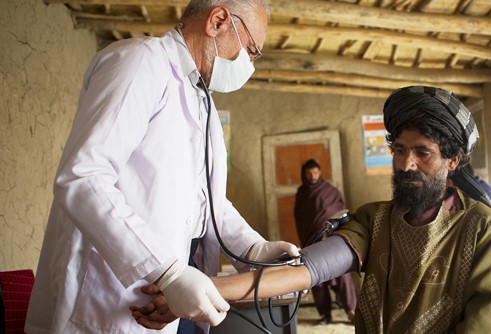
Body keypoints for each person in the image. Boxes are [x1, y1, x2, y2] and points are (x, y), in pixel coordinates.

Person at [134, 86, 491, 333]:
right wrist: (192, 292)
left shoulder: (484, 230)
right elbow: (304, 271)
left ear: (453, 161)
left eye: (423, 153)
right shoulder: (376, 219)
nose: (405, 164)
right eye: (400, 150)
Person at [25, 1, 299, 333]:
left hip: (169, 298)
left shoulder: (202, 101)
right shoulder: (140, 63)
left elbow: (206, 202)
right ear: (218, 21)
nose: (250, 64)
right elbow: (83, 177)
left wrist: (252, 248)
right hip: (108, 299)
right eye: (251, 50)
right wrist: (166, 271)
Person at [294, 159, 357, 324]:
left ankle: (351, 311)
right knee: (316, 276)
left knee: (342, 275)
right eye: (309, 173)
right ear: (304, 174)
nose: (313, 176)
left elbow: (339, 211)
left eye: (315, 172)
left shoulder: (330, 191)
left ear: (320, 172)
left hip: (331, 239)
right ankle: (325, 314)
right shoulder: (302, 194)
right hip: (313, 240)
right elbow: (300, 218)